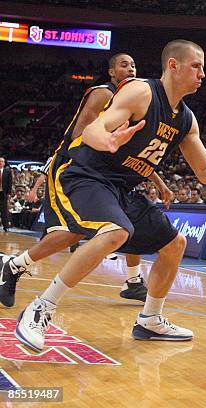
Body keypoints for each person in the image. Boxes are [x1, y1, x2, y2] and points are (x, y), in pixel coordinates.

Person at [13, 39, 206, 352]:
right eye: (197, 66)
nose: (203, 74)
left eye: (203, 68)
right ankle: (40, 308)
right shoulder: (141, 92)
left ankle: (150, 319)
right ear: (173, 65)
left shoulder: (185, 119)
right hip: (85, 174)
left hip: (120, 187)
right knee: (115, 232)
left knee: (174, 244)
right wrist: (107, 140)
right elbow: (93, 130)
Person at [0, 54, 168, 307]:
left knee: (124, 223)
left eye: (134, 65)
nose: (131, 68)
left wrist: (160, 183)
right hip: (77, 165)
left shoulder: (136, 102)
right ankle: (15, 267)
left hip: (111, 175)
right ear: (111, 72)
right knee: (73, 232)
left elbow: (135, 154)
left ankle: (133, 282)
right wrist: (96, 156)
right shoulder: (104, 93)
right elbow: (81, 133)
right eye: (124, 65)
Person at [0, 157, 12, 232]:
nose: (0, 163)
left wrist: (9, 193)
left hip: (3, 193)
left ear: (4, 163)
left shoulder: (7, 171)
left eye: (1, 161)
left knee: (4, 210)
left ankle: (6, 226)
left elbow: (10, 183)